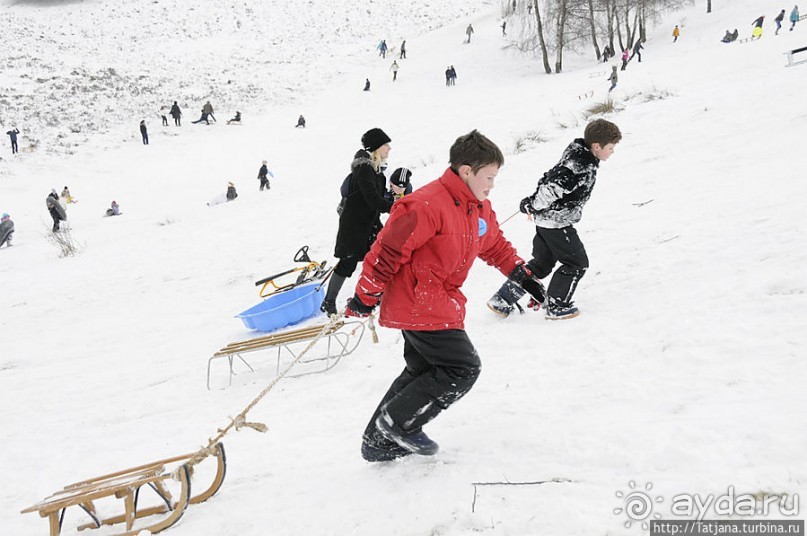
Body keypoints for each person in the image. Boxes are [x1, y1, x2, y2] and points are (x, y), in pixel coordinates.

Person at [348, 130, 544, 462]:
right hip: (420, 300)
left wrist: (520, 273)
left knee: (423, 370)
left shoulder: (478, 208)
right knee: (462, 368)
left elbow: (493, 245)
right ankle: (398, 423)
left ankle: (377, 443)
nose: (492, 184)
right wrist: (365, 297)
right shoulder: (425, 205)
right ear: (465, 170)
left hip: (438, 299)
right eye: (489, 177)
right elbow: (385, 253)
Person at [486, 119, 622, 321]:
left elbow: (550, 179)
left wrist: (533, 203)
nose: (612, 152)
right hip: (556, 223)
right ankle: (557, 305)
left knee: (542, 264)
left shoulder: (580, 156)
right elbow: (551, 186)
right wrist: (533, 204)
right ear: (596, 146)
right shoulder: (580, 166)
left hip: (547, 221)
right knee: (576, 263)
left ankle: (503, 298)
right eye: (610, 148)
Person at [320, 128, 394, 316]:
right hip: (354, 226)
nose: (389, 148)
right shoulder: (364, 169)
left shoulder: (377, 171)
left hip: (370, 224)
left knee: (383, 256)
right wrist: (394, 207)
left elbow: (377, 199)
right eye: (386, 145)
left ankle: (377, 296)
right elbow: (372, 198)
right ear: (377, 147)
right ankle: (328, 302)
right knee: (348, 263)